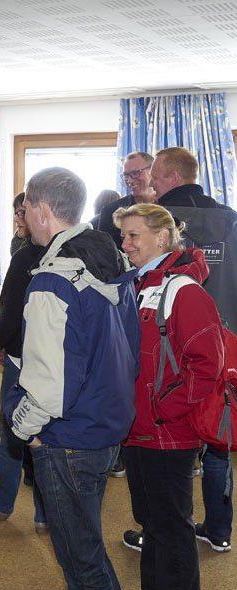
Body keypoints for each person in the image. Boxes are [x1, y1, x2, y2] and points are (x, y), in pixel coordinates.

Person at [7, 168, 141, 590]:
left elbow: (44, 382)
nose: (26, 220)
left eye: (27, 209)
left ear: (41, 208)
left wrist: (24, 432)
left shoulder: (53, 280)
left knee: (79, 561)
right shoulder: (112, 264)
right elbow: (126, 351)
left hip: (68, 435)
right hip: (107, 425)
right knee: (90, 549)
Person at [115, 203, 224, 590]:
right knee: (153, 524)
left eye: (135, 235)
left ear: (164, 238)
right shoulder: (141, 285)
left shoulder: (184, 291)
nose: (126, 244)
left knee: (172, 527)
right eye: (124, 237)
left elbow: (208, 363)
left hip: (166, 431)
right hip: (139, 429)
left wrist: (166, 410)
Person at [120, 147, 236, 554]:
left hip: (177, 368)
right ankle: (219, 529)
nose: (147, 183)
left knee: (168, 497)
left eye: (150, 175)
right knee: (217, 437)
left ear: (167, 175)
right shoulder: (230, 218)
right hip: (226, 341)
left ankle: (165, 539)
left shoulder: (156, 222)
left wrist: (163, 407)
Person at [0, 196, 46, 527]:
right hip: (53, 360)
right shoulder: (70, 253)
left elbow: (11, 308)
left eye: (23, 211)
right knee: (47, 438)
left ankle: (2, 500)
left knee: (13, 433)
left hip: (23, 358)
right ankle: (45, 515)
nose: (19, 217)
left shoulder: (25, 256)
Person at [95, 152, 156, 247]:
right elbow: (105, 253)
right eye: (126, 175)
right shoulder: (110, 211)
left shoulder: (170, 205)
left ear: (153, 171)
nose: (130, 180)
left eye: (136, 173)